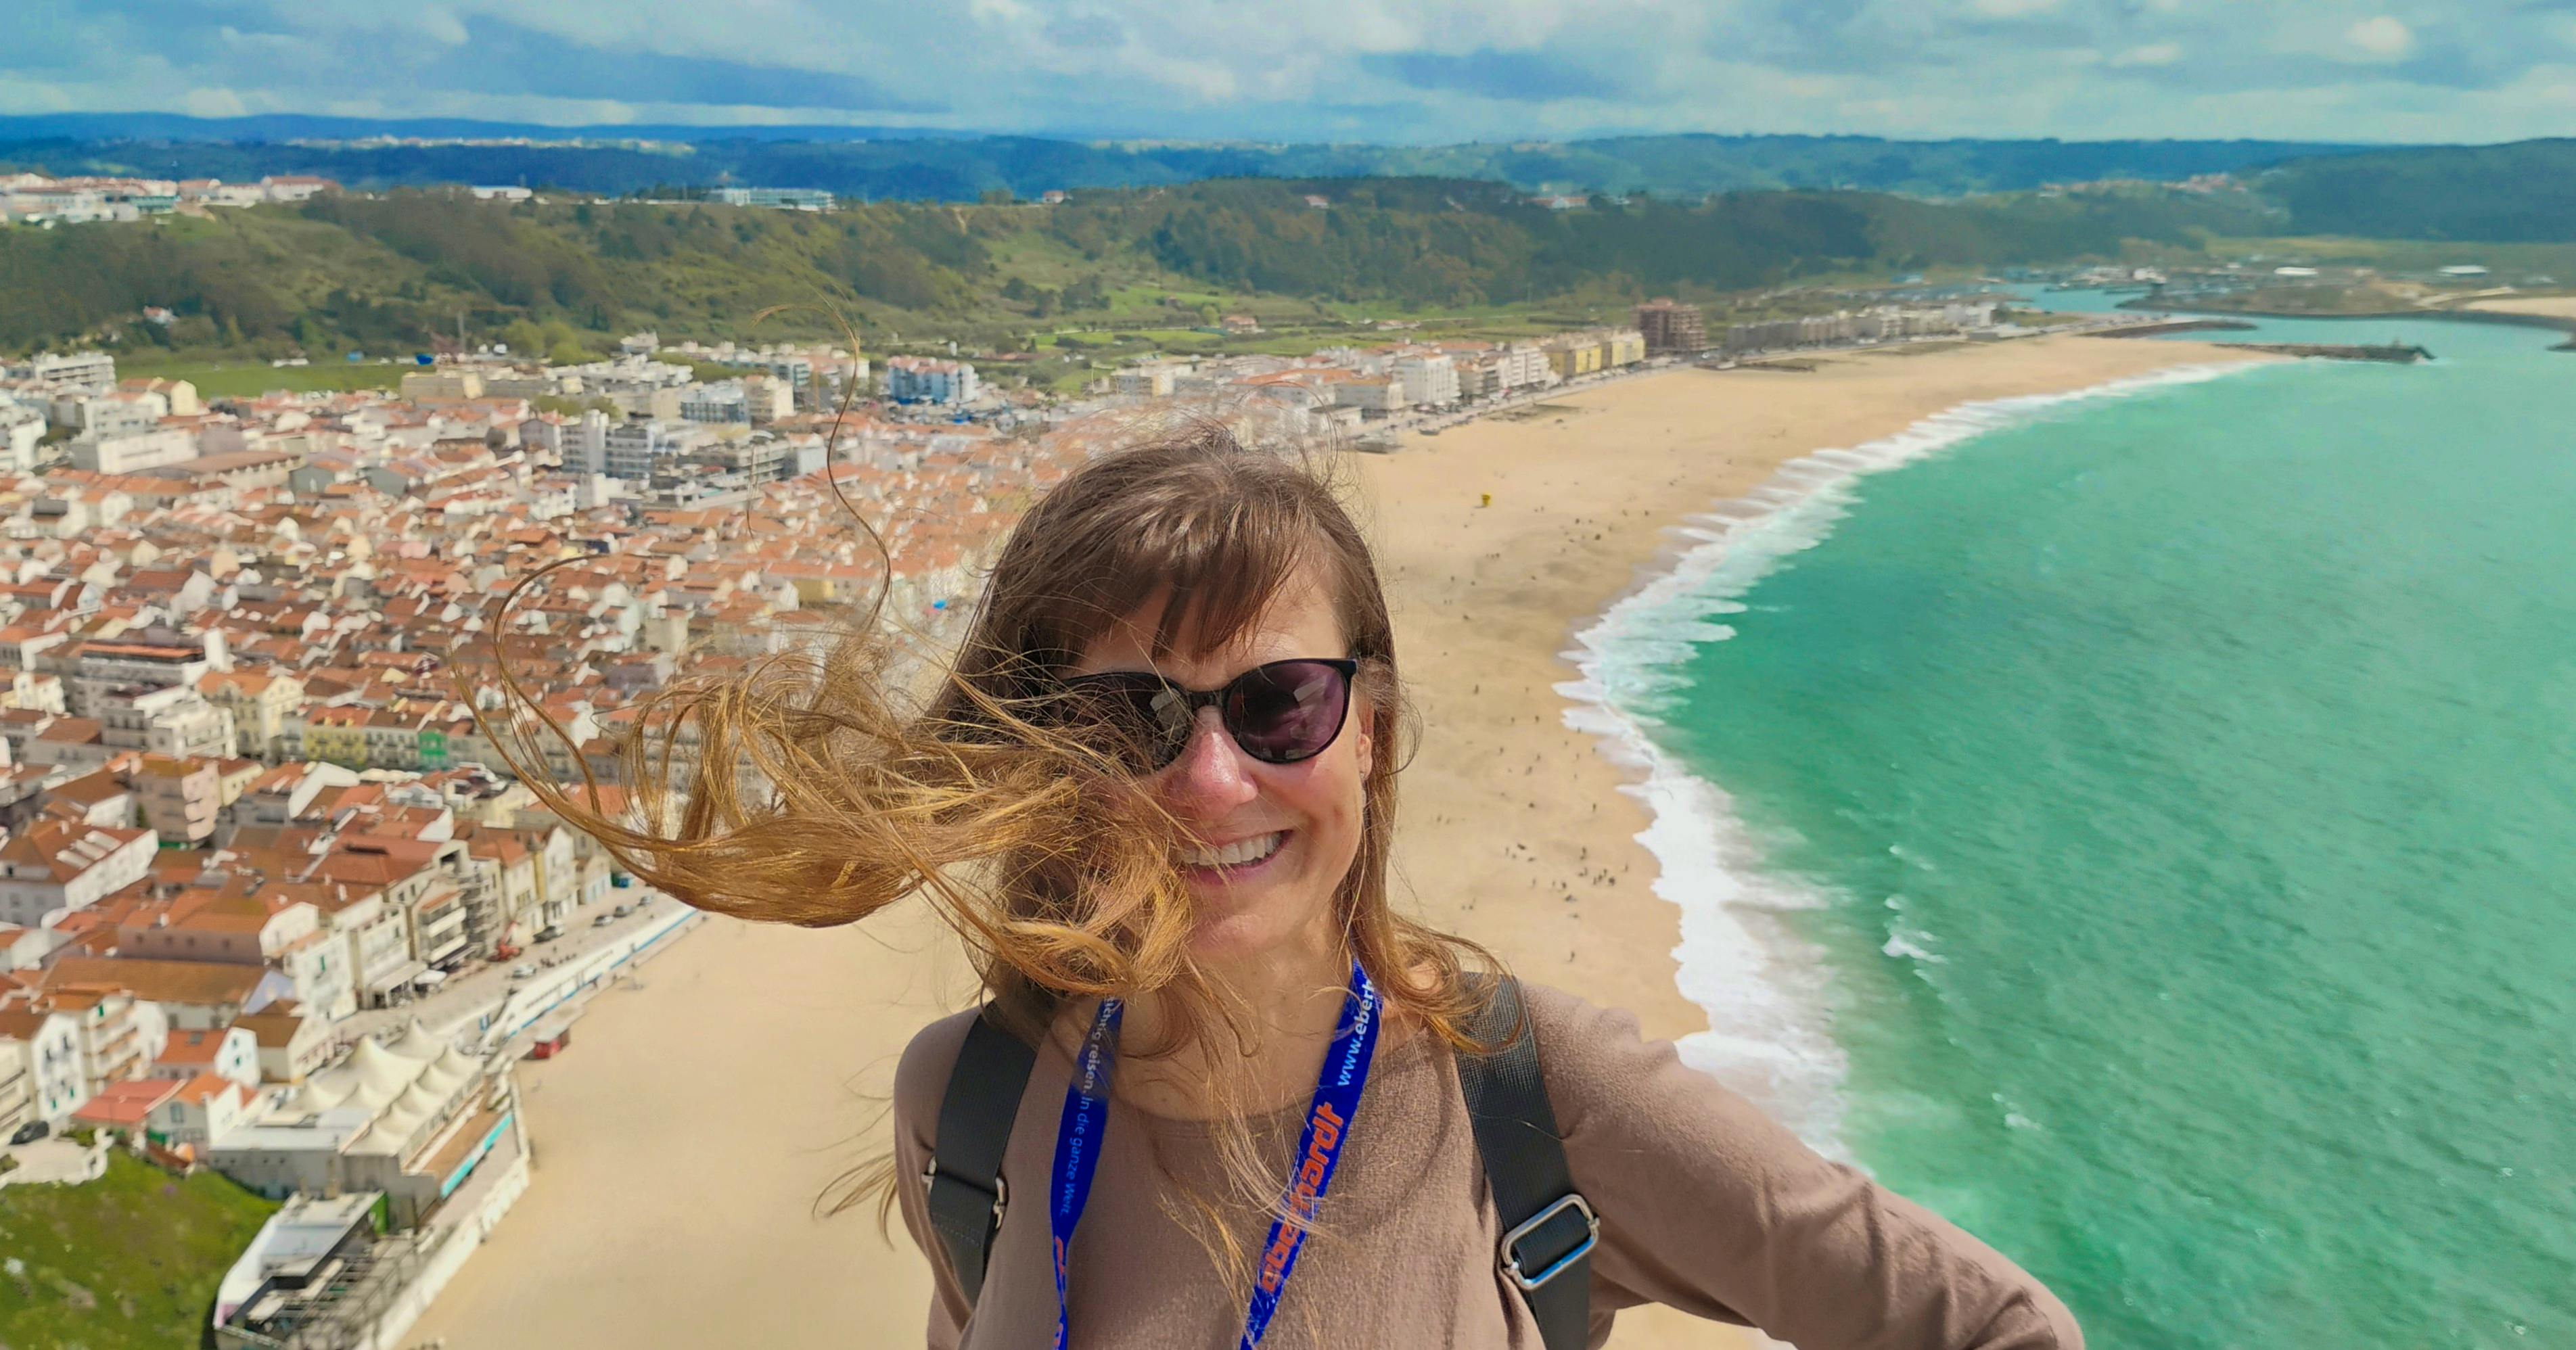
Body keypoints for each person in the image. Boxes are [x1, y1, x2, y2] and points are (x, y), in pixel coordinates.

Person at [504, 428, 2083, 1349]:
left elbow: (1995, 1329)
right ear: (1044, 751)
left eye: (1276, 705)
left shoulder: (1530, 1093)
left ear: (1369, 729)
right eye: (1131, 714)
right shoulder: (966, 1102)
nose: (1209, 783)